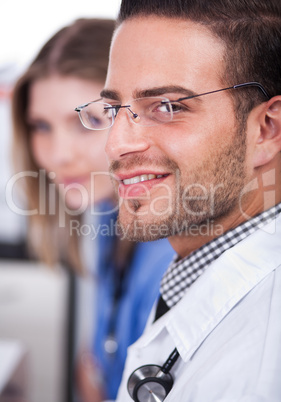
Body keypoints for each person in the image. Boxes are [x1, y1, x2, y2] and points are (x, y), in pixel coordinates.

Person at [74, 1, 281, 400]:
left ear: (268, 129)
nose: (115, 144)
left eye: (167, 107)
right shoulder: (191, 263)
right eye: (115, 108)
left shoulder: (259, 363)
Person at [11, 18, 174, 401]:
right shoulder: (106, 211)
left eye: (88, 122)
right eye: (41, 126)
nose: (58, 155)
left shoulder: (174, 246)